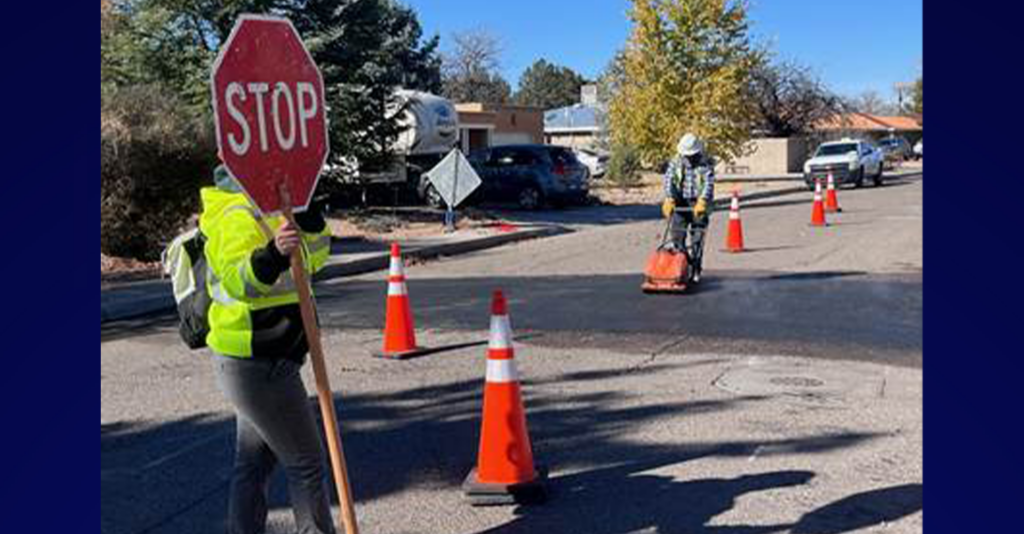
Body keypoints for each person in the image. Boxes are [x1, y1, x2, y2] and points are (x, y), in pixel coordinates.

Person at [200, 165, 334, 534]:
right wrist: (273, 253)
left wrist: (308, 213)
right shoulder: (236, 214)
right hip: (258, 362)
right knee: (307, 464)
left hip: (264, 361)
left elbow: (314, 259)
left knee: (254, 464)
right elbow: (239, 282)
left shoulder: (271, 209)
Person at [661, 133, 715, 283]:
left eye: (691, 155)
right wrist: (669, 198)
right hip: (680, 203)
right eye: (686, 155)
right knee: (677, 237)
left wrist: (702, 201)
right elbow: (668, 180)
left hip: (698, 204)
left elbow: (708, 184)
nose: (689, 158)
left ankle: (696, 269)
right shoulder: (676, 162)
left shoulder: (705, 164)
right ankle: (683, 265)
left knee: (697, 240)